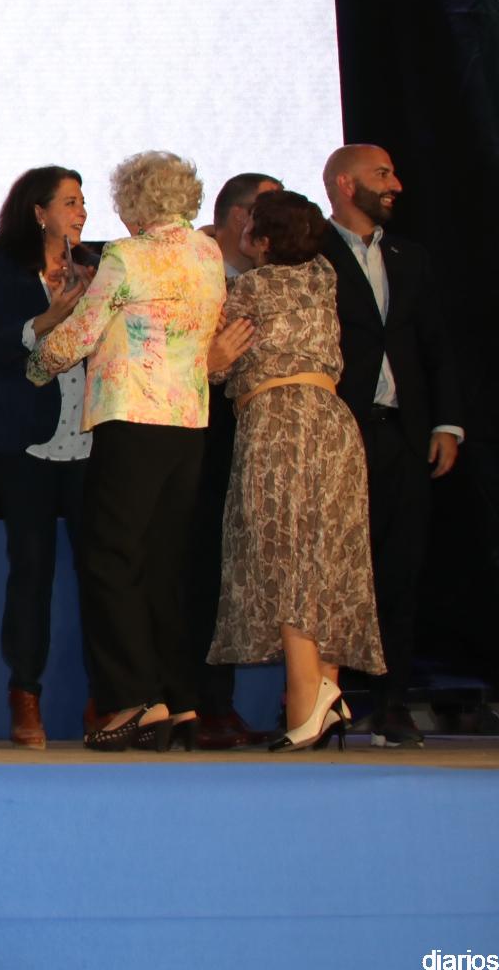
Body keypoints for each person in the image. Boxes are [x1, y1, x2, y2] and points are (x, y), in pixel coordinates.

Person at [28, 151, 226, 752]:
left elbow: (81, 334)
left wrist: (36, 363)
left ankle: (134, 701)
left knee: (112, 561)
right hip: (188, 423)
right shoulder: (208, 254)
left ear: (135, 201)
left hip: (132, 418)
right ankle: (181, 700)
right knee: (165, 564)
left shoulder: (127, 255)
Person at [207, 190, 385, 751]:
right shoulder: (324, 277)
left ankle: (308, 699)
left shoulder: (251, 289)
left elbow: (214, 367)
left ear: (262, 239)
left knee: (284, 555)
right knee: (324, 556)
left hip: (279, 422)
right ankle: (324, 689)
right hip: (333, 421)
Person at [320, 145, 463, 747]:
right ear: (345, 184)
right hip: (336, 434)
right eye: (382, 174)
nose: (395, 184)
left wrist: (446, 424)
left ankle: (392, 701)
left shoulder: (410, 256)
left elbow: (435, 344)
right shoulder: (312, 253)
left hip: (402, 433)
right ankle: (320, 700)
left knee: (399, 570)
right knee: (331, 570)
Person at [0, 165, 97, 749]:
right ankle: (25, 694)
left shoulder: (97, 268)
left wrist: (92, 300)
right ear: (39, 212)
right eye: (69, 201)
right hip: (25, 440)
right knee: (32, 567)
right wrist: (52, 316)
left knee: (102, 572)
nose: (81, 211)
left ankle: (109, 698)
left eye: (82, 201)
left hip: (90, 437)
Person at [184, 171, 284, 749]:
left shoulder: (274, 282)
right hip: (198, 443)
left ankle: (220, 703)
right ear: (242, 217)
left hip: (258, 446)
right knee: (198, 571)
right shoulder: (190, 273)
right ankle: (196, 703)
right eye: (269, 211)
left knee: (235, 576)